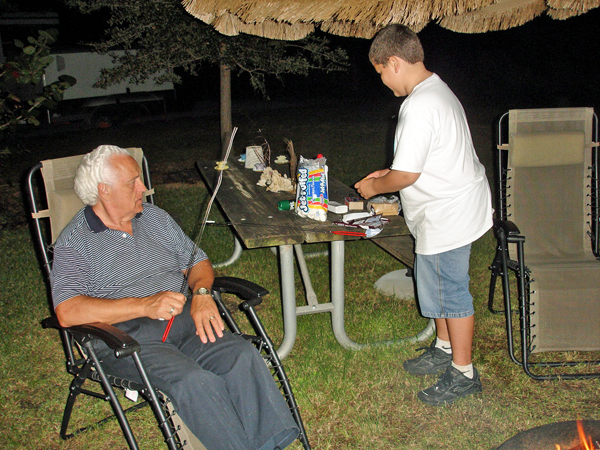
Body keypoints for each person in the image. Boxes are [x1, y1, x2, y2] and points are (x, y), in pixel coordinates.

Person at [50, 145, 299, 450]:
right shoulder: (75, 242)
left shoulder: (154, 218)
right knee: (195, 383)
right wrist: (143, 304)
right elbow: (67, 311)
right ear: (104, 191)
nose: (144, 188)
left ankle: (271, 444)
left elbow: (197, 262)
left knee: (241, 356)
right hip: (129, 340)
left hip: (187, 320)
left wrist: (204, 294)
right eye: (133, 183)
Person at [355, 24, 493, 406]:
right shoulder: (434, 89)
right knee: (435, 284)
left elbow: (408, 175)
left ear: (394, 62)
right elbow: (423, 158)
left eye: (380, 71)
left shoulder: (419, 105)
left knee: (451, 291)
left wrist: (375, 187)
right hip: (445, 206)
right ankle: (444, 346)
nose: (382, 80)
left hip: (450, 212)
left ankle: (464, 373)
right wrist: (390, 172)